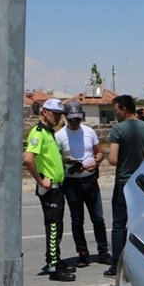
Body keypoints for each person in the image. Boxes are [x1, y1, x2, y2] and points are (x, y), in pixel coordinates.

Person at [23, 98, 75, 282]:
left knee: (57, 226)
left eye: (60, 114)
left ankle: (55, 259)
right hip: (50, 188)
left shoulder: (49, 132)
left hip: (57, 187)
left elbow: (48, 159)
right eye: (56, 113)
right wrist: (40, 180)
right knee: (53, 227)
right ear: (45, 112)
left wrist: (65, 163)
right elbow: (28, 159)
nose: (59, 117)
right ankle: (53, 268)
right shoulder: (38, 133)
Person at [104, 94, 144, 277]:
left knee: (119, 224)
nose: (115, 113)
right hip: (143, 184)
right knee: (140, 224)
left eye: (116, 110)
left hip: (124, 183)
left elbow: (113, 160)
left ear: (124, 109)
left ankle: (116, 265)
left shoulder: (118, 130)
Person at [56, 102, 110, 268]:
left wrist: (95, 162)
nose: (75, 123)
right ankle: (82, 253)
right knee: (77, 220)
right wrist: (68, 163)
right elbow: (55, 159)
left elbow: (99, 152)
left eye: (78, 119)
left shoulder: (89, 132)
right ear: (66, 118)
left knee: (98, 218)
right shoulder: (59, 136)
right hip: (71, 182)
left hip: (90, 180)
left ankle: (103, 251)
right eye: (72, 120)